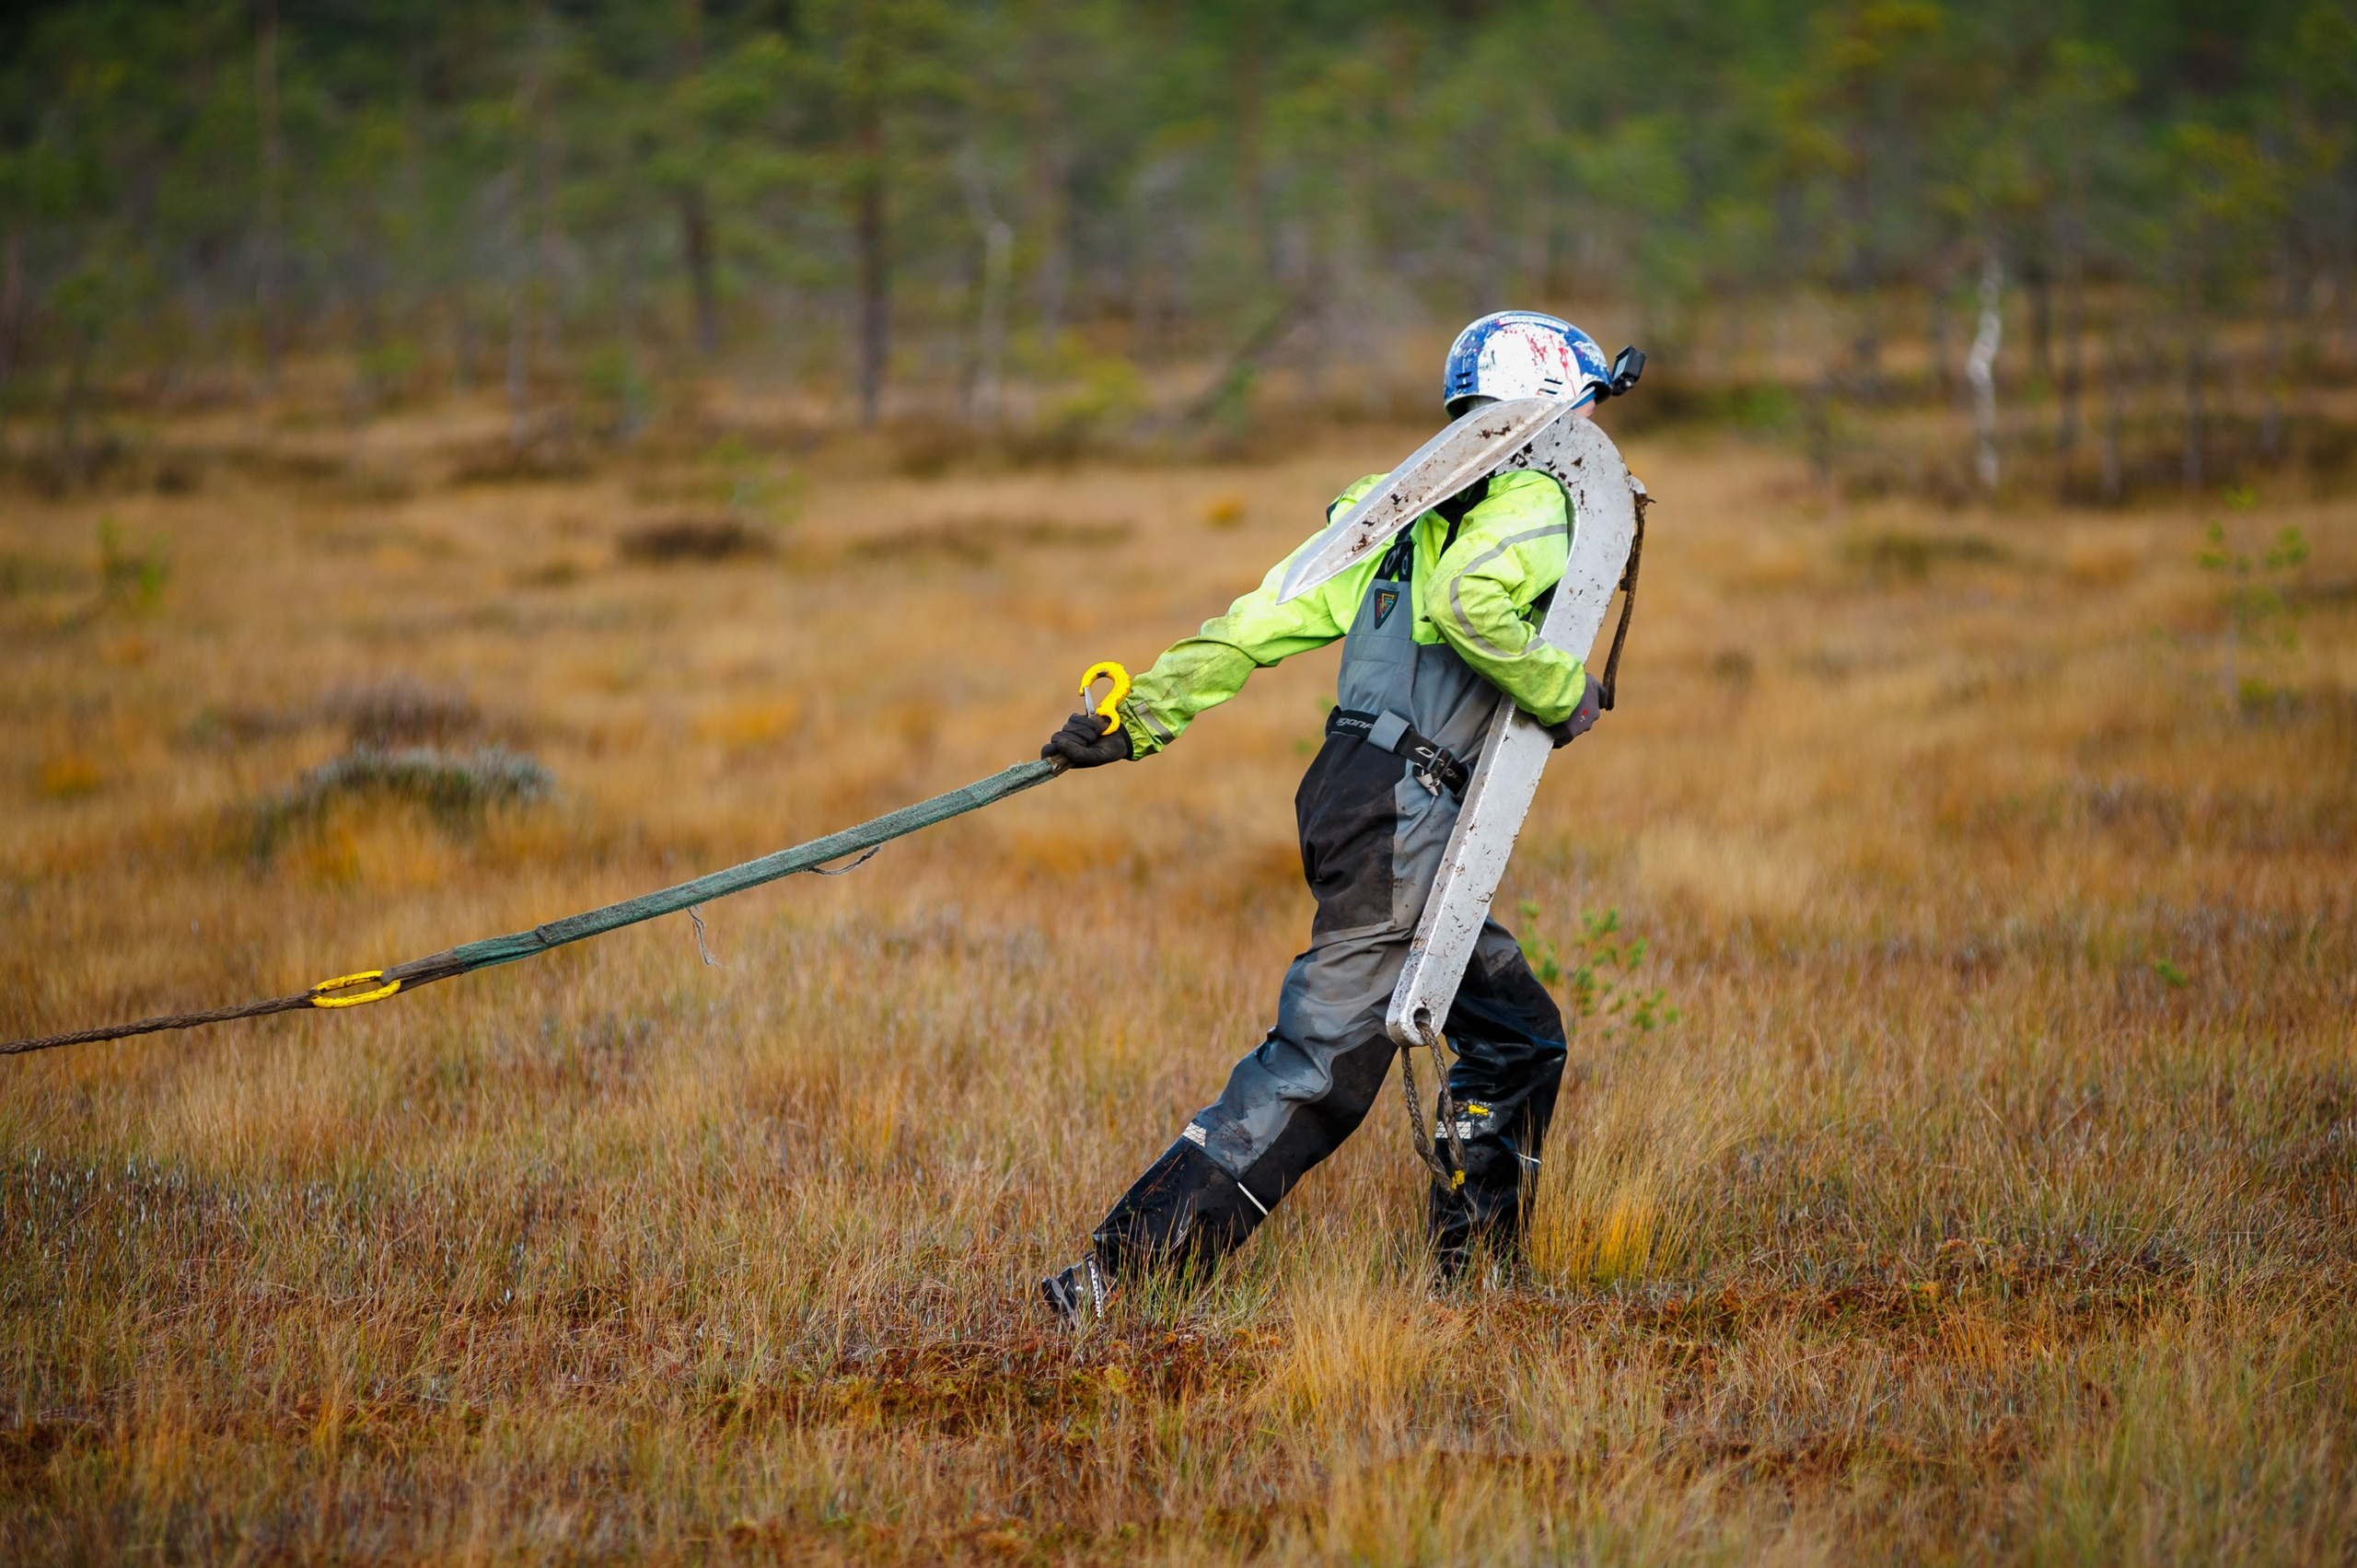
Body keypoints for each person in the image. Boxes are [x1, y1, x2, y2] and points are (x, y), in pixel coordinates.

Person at [1039, 311, 1617, 1324]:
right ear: (1559, 407)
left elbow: (1260, 620)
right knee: (1319, 1066)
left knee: (1515, 1034)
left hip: (1354, 786)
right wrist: (1558, 689)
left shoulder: (1389, 505)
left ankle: (1475, 1284)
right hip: (1408, 806)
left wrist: (1139, 715)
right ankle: (1113, 1285)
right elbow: (1471, 601)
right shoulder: (1529, 494)